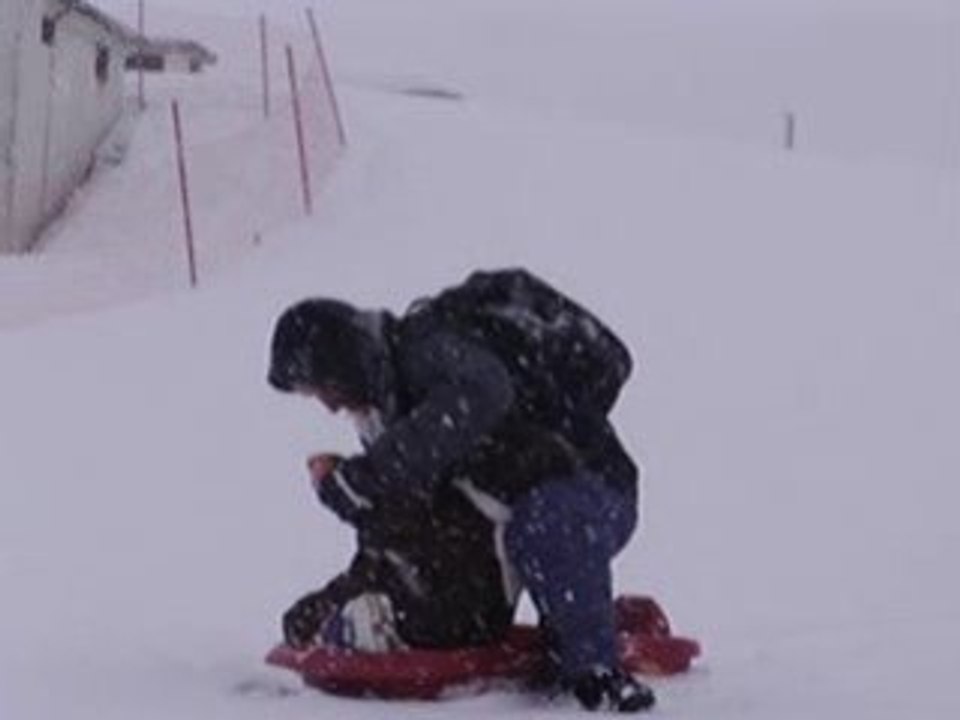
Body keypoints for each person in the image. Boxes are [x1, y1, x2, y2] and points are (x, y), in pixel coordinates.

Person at [268, 268, 655, 712]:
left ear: (346, 363)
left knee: (544, 522)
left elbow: (485, 392)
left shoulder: (426, 348)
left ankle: (597, 669)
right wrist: (332, 602)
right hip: (509, 510)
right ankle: (576, 619)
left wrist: (370, 476)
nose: (330, 406)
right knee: (459, 569)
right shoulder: (392, 419)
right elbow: (403, 537)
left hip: (593, 487)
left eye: (326, 388)